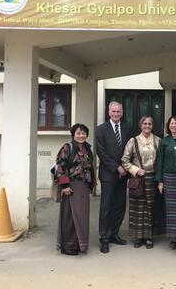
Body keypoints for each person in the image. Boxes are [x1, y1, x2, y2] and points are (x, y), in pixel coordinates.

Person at [95, 101, 132, 254]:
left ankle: (114, 234)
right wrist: (116, 167)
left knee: (120, 205)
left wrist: (126, 167)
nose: (116, 114)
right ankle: (104, 237)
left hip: (124, 174)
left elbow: (130, 149)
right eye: (114, 111)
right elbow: (101, 152)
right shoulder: (101, 129)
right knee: (106, 206)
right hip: (108, 173)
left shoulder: (127, 128)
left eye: (119, 111)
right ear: (109, 112)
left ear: (122, 113)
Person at [55, 123, 95, 255]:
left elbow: (90, 167)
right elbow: (60, 167)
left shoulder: (88, 148)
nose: (81, 135)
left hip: (83, 187)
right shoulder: (68, 147)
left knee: (81, 216)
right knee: (70, 216)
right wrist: (65, 186)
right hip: (71, 186)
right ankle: (68, 246)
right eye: (78, 133)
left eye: (83, 133)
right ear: (73, 134)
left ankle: (80, 245)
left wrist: (92, 184)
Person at [122, 116, 161, 249]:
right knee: (138, 208)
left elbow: (161, 161)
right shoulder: (133, 141)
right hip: (138, 179)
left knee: (150, 208)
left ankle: (149, 237)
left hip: (152, 178)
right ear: (140, 125)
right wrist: (136, 170)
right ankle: (138, 237)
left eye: (150, 123)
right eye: (145, 123)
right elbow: (125, 161)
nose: (147, 126)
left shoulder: (157, 140)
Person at [155, 116, 176, 250]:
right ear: (168, 126)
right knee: (171, 209)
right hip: (169, 178)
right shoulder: (164, 141)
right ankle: (173, 238)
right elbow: (160, 161)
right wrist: (160, 181)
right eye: (171, 123)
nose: (174, 125)